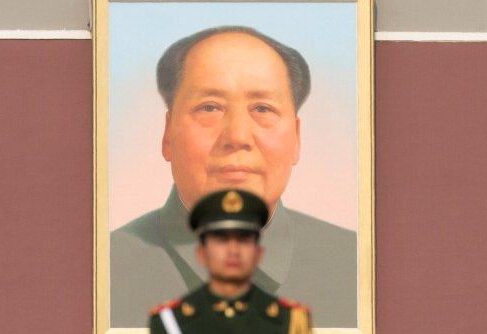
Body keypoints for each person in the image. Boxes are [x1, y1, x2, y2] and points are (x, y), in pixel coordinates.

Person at [111, 26, 356, 328]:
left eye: (263, 108)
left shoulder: (357, 265)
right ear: (167, 135)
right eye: (210, 107)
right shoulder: (105, 267)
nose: (238, 136)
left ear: (296, 138)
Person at [149, 190, 312, 334]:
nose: (233, 250)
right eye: (222, 239)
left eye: (243, 239)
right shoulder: (171, 322)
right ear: (201, 253)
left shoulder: (289, 321)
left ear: (258, 253)